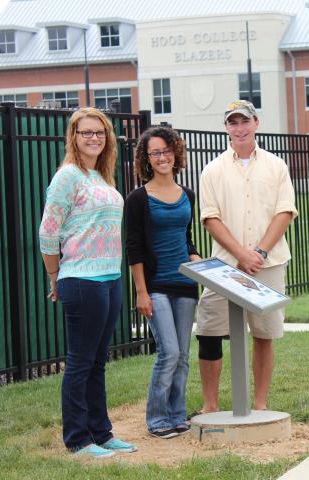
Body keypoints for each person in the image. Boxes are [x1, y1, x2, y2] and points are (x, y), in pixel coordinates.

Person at [39, 107, 137, 458]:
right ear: (74, 137)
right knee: (81, 362)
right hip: (82, 279)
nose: (94, 137)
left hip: (110, 279)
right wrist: (55, 276)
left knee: (97, 361)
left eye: (100, 132)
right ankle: (78, 439)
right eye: (86, 132)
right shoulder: (68, 177)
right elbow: (48, 232)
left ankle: (102, 432)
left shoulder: (102, 176)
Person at [196, 100, 297, 412]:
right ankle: (210, 406)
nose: (239, 128)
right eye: (233, 122)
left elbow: (285, 211)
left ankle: (261, 404)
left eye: (244, 121)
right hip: (225, 266)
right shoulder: (212, 170)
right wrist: (240, 253)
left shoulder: (276, 166)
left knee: (264, 335)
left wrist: (259, 252)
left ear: (256, 123)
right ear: (226, 128)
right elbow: (210, 217)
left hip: (268, 263)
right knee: (209, 331)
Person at [124, 126, 201, 439]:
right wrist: (141, 291)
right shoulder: (138, 199)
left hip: (185, 287)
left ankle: (177, 414)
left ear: (175, 153)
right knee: (168, 352)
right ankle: (157, 419)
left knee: (182, 355)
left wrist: (197, 259)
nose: (162, 157)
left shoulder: (188, 195)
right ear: (146, 158)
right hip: (155, 287)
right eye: (155, 152)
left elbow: (186, 238)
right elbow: (134, 248)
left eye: (166, 151)